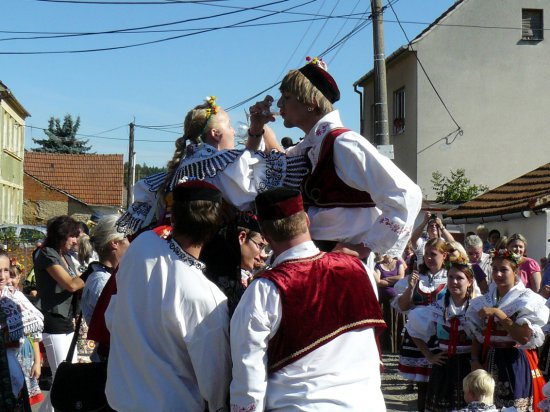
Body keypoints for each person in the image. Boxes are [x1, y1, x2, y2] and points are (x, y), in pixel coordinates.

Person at [230, 188, 386, 411]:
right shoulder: (359, 269)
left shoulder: (264, 290)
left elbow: (248, 377)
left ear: (264, 234)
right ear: (306, 220)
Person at [253, 57, 422, 259]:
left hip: (342, 262)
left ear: (311, 102)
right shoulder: (309, 147)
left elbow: (406, 194)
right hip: (318, 257)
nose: (280, 104)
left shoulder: (343, 143)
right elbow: (272, 168)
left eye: (287, 97)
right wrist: (257, 128)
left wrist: (369, 247)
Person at [105, 181, 231, 412]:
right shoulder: (208, 298)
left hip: (120, 401)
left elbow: (112, 317)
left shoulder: (140, 246)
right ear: (215, 226)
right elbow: (215, 384)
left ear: (173, 218)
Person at [116, 96, 308, 237]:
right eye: (229, 125)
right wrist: (267, 133)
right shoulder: (221, 164)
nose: (234, 130)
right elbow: (278, 174)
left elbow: (243, 161)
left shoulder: (191, 163)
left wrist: (256, 128)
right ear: (216, 133)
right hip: (211, 255)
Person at [465, 249, 548, 411]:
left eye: (504, 269)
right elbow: (476, 334)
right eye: (495, 269)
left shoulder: (526, 300)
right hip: (489, 359)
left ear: (515, 271)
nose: (498, 274)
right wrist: (475, 360)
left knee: (513, 406)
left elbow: (523, 338)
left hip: (513, 362)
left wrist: (499, 314)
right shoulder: (485, 300)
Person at [406, 256, 476, 411]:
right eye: (450, 277)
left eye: (459, 278)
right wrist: (430, 356)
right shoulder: (436, 308)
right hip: (444, 366)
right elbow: (414, 331)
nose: (454, 282)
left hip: (469, 365)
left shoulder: (477, 308)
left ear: (469, 282)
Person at [34, 215, 84, 412]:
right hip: (53, 320)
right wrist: (92, 273)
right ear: (62, 236)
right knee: (64, 378)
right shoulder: (47, 254)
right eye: (73, 236)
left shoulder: (64, 256)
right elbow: (71, 284)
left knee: (65, 377)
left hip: (66, 320)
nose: (76, 240)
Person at [392, 238, 448, 411]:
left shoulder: (450, 276)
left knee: (442, 382)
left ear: (444, 255)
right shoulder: (416, 277)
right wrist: (410, 288)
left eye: (434, 254)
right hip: (417, 336)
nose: (429, 258)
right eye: (426, 254)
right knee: (422, 386)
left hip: (441, 335)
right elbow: (402, 307)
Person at [0, 251, 44, 412]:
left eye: (5, 270)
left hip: (13, 362)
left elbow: (36, 323)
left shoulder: (14, 297)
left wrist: (37, 361)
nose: (3, 276)